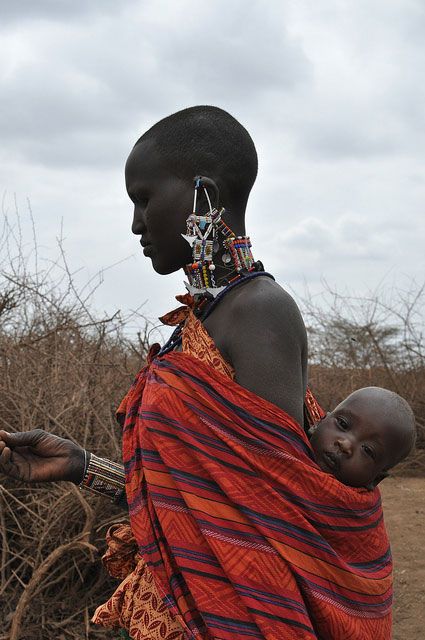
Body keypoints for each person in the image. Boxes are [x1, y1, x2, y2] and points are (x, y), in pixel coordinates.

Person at [0, 106, 413, 640]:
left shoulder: (258, 312)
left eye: (144, 198)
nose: (135, 222)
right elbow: (214, 501)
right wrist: (82, 466)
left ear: (204, 197)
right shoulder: (210, 314)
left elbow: (274, 517)